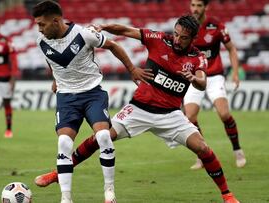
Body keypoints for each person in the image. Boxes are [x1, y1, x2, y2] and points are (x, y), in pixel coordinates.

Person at [34, 15, 241, 203]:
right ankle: (57, 173)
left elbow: (203, 82)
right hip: (138, 110)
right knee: (102, 137)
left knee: (202, 148)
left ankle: (227, 195)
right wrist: (104, 26)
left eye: (184, 38)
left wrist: (194, 79)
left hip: (171, 115)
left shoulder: (197, 58)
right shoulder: (159, 39)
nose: (177, 40)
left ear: (193, 38)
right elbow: (126, 31)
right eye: (176, 34)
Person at [32, 1, 151, 203]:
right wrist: (56, 79)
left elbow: (113, 45)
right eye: (37, 25)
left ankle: (109, 193)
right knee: (63, 142)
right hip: (66, 97)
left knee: (104, 136)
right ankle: (66, 198)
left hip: (92, 94)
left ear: (56, 21)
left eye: (42, 24)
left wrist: (131, 69)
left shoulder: (84, 34)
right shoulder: (41, 41)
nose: (39, 29)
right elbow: (51, 61)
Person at [185, 0, 246, 170]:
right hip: (194, 77)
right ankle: (202, 155)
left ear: (206, 7)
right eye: (193, 5)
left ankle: (237, 150)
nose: (195, 9)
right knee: (189, 118)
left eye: (199, 5)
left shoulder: (216, 26)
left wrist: (235, 72)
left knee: (224, 114)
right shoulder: (186, 26)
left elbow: (231, 49)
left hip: (214, 76)